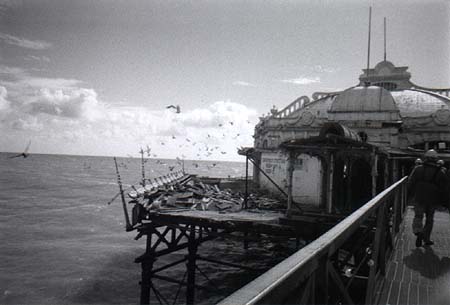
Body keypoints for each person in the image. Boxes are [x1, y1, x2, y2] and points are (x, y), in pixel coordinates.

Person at [408, 150, 449, 247]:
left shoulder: (418, 169)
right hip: (433, 199)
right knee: (430, 219)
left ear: (425, 158)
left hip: (419, 196)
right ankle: (426, 238)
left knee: (418, 216)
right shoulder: (441, 172)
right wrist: (444, 201)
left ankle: (418, 231)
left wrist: (410, 194)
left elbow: (410, 182)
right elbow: (445, 187)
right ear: (435, 159)